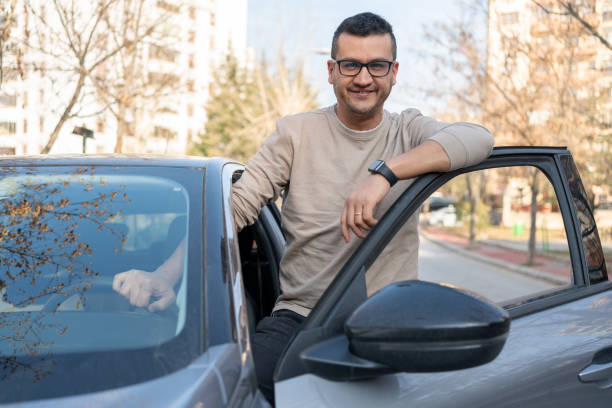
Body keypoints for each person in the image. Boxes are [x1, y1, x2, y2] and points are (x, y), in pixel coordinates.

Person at [113, 12, 494, 404]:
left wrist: (384, 174)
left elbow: (478, 138)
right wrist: (166, 274)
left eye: (376, 66)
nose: (363, 78)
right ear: (331, 71)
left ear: (394, 72)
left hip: (389, 322)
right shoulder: (295, 133)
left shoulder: (409, 131)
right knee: (237, 386)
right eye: (350, 65)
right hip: (301, 316)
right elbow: (236, 208)